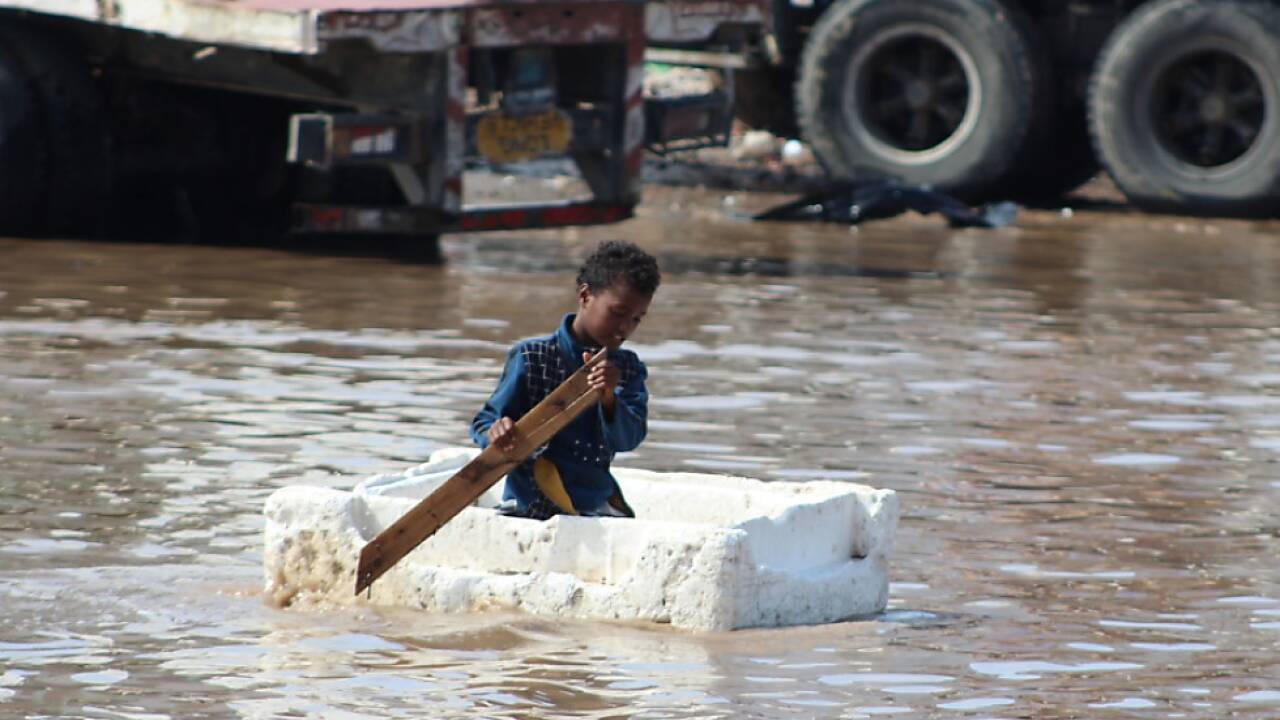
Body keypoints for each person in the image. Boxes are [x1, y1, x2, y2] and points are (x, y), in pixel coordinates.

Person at [470, 240, 660, 520]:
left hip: (594, 505)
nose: (625, 328)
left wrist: (609, 398)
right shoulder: (532, 356)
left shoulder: (627, 368)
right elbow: (484, 423)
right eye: (618, 313)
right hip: (529, 506)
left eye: (636, 319)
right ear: (585, 296)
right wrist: (496, 432)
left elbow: (628, 439)